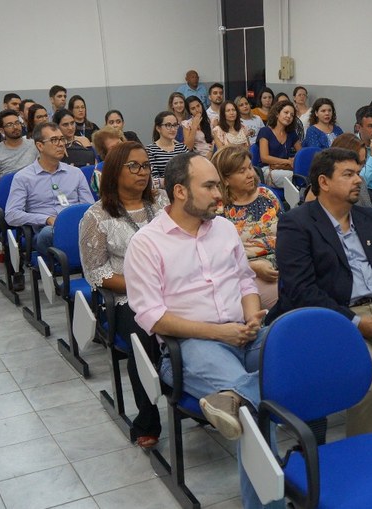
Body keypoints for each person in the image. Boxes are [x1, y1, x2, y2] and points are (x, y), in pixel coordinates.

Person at [123, 151, 281, 509]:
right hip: (191, 347)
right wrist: (220, 333)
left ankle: (233, 398)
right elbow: (152, 317)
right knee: (256, 408)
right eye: (209, 186)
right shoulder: (147, 243)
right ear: (180, 191)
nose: (218, 195)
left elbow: (245, 281)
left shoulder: (222, 228)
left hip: (243, 334)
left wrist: (252, 317)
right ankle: (267, 501)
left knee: (299, 350)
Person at [269, 147, 372, 437]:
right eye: (348, 174)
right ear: (324, 182)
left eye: (358, 173)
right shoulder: (297, 223)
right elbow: (301, 290)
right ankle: (363, 452)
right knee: (371, 385)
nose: (358, 180)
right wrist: (356, 322)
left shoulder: (371, 218)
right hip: (337, 320)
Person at [79, 141, 168, 449]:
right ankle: (147, 419)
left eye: (146, 166)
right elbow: (97, 273)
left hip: (173, 288)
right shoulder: (97, 216)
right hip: (128, 297)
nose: (142, 172)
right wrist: (143, 284)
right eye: (134, 166)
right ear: (115, 171)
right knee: (144, 336)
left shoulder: (163, 202)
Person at [5, 122, 94, 257]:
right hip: (46, 231)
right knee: (49, 233)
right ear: (40, 146)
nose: (61, 144)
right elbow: (11, 215)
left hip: (76, 226)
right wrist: (46, 219)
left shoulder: (75, 173)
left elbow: (89, 207)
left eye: (62, 139)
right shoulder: (23, 177)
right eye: (54, 140)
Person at [213, 145, 281, 308]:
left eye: (250, 167)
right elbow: (218, 256)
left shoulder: (266, 195)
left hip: (284, 262)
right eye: (241, 171)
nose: (250, 174)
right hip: (246, 273)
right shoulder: (218, 209)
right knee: (288, 297)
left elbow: (288, 231)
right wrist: (253, 267)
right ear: (225, 179)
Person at [0, 109, 38, 194]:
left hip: (34, 190)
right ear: (2, 130)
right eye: (10, 125)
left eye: (17, 123)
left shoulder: (34, 145)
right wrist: (7, 195)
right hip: (9, 192)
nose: (15, 127)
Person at [256, 100, 301, 187]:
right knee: (295, 177)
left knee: (302, 173)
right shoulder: (265, 131)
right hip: (267, 169)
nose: (289, 116)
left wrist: (293, 160)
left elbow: (301, 153)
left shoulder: (291, 133)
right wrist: (287, 161)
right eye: (286, 112)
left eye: (292, 115)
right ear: (277, 114)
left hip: (284, 167)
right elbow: (264, 158)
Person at [146, 111, 189, 185]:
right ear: (158, 128)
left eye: (175, 125)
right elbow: (154, 179)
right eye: (168, 125)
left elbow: (190, 171)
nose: (173, 129)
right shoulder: (150, 150)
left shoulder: (182, 148)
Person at [90, 126, 126, 192]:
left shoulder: (134, 163)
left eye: (120, 144)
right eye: (113, 148)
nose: (120, 149)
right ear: (105, 152)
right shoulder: (99, 171)